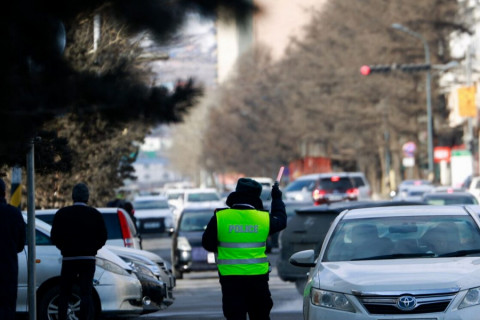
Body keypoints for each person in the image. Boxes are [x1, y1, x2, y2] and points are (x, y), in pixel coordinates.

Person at [202, 178, 286, 320]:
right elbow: (281, 220)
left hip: (230, 281)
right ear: (256, 197)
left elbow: (207, 244)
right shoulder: (264, 218)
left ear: (236, 194)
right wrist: (276, 199)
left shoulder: (220, 217)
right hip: (258, 280)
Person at [51, 183, 108, 320]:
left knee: (64, 292)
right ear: (87, 197)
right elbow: (103, 237)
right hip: (88, 259)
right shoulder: (95, 215)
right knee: (86, 293)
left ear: (73, 197)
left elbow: (54, 236)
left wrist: (64, 248)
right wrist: (92, 249)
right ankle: (84, 317)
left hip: (69, 259)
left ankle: (62, 317)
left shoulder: (62, 214)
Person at [0, 178, 26, 320]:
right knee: (7, 308)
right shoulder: (13, 214)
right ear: (4, 193)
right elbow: (21, 243)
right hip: (7, 269)